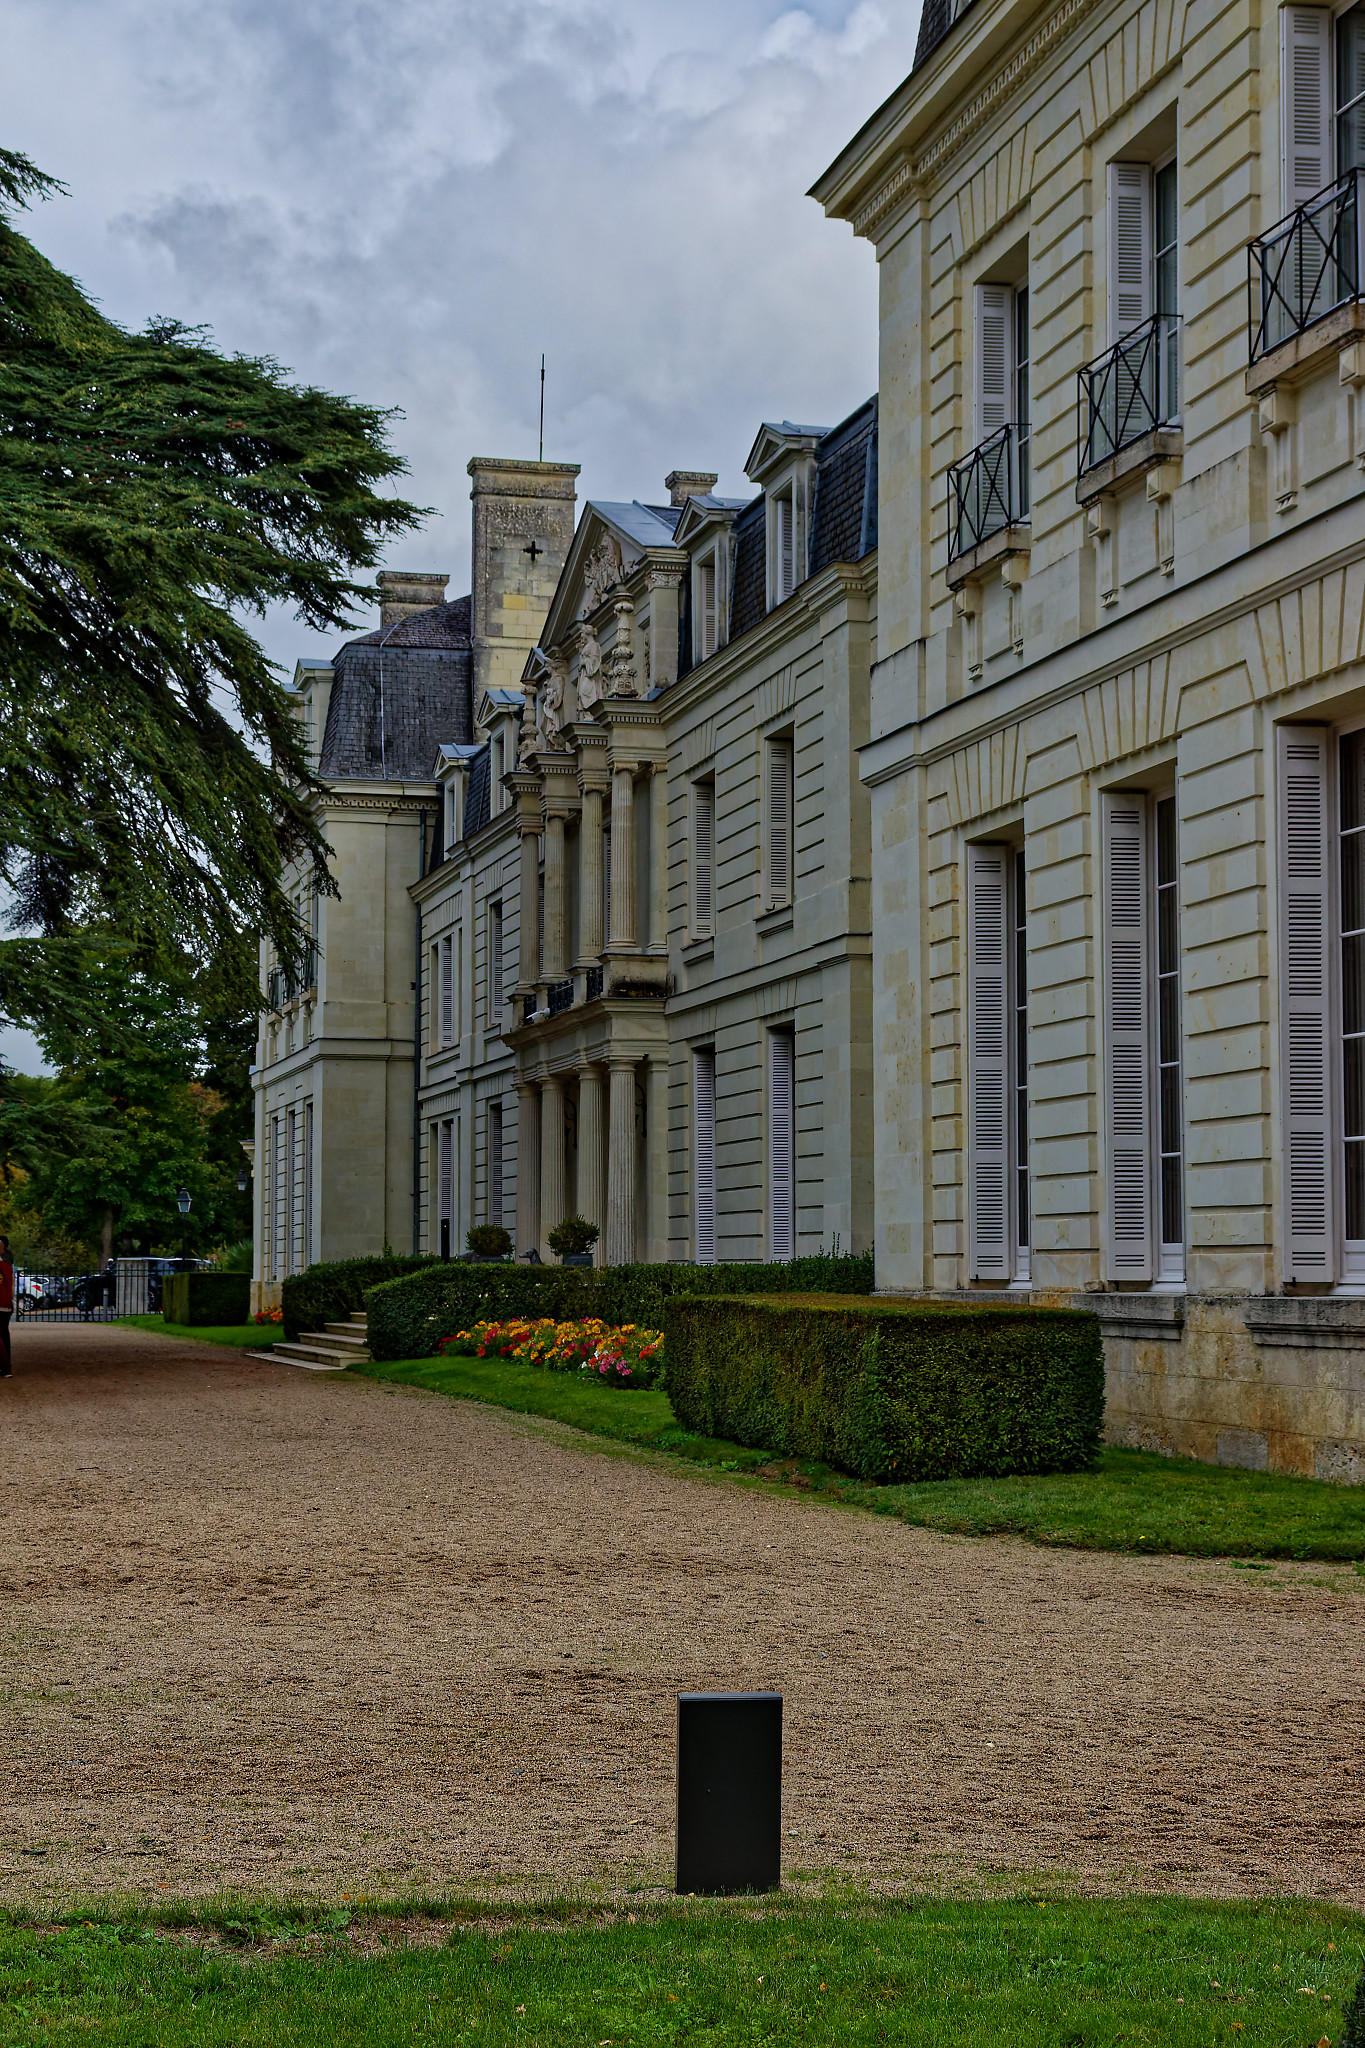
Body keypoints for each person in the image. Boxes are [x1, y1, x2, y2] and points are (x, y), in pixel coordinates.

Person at [0, 1237, 13, 1376]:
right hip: (5, 1303)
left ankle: (4, 1366)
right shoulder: (7, 1266)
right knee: (4, 1333)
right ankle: (5, 1365)